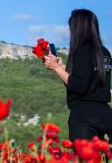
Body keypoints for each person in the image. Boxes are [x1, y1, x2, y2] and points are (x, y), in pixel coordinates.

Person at [44, 9, 112, 144]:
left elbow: (79, 86)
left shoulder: (82, 51)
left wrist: (56, 68)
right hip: (106, 115)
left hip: (85, 118)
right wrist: (64, 68)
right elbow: (88, 79)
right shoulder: (104, 52)